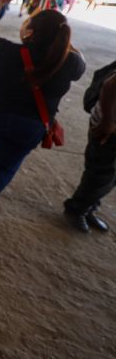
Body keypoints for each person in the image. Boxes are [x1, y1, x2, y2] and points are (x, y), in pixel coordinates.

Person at [0, 5, 86, 237]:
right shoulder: (70, 63)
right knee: (2, 167)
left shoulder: (1, 49)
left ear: (30, 32)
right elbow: (78, 60)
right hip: (28, 124)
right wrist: (63, 39)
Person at [63, 61, 116, 232]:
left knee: (109, 175)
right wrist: (107, 123)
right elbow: (109, 87)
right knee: (100, 173)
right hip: (108, 126)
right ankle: (77, 209)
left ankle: (88, 207)